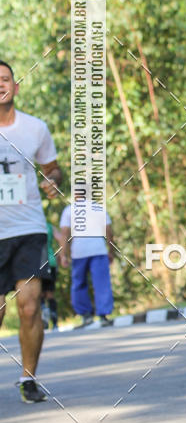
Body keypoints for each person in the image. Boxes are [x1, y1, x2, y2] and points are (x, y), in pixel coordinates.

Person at [0, 60, 62, 403]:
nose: (0, 84)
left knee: (29, 305)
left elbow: (54, 169)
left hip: (28, 228)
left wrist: (53, 181)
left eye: (5, 79)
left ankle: (28, 378)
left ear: (16, 87)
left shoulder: (35, 128)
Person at [58, 198, 114, 327]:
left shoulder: (69, 210)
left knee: (79, 284)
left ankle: (86, 315)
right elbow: (108, 230)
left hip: (79, 252)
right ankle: (103, 316)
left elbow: (64, 234)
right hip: (98, 250)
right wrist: (111, 250)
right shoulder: (98, 208)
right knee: (102, 283)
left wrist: (63, 255)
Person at [41, 220, 60, 330]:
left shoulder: (31, 225)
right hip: (51, 261)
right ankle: (55, 322)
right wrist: (61, 255)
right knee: (50, 294)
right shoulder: (49, 226)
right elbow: (61, 238)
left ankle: (44, 317)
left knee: (39, 294)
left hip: (37, 263)